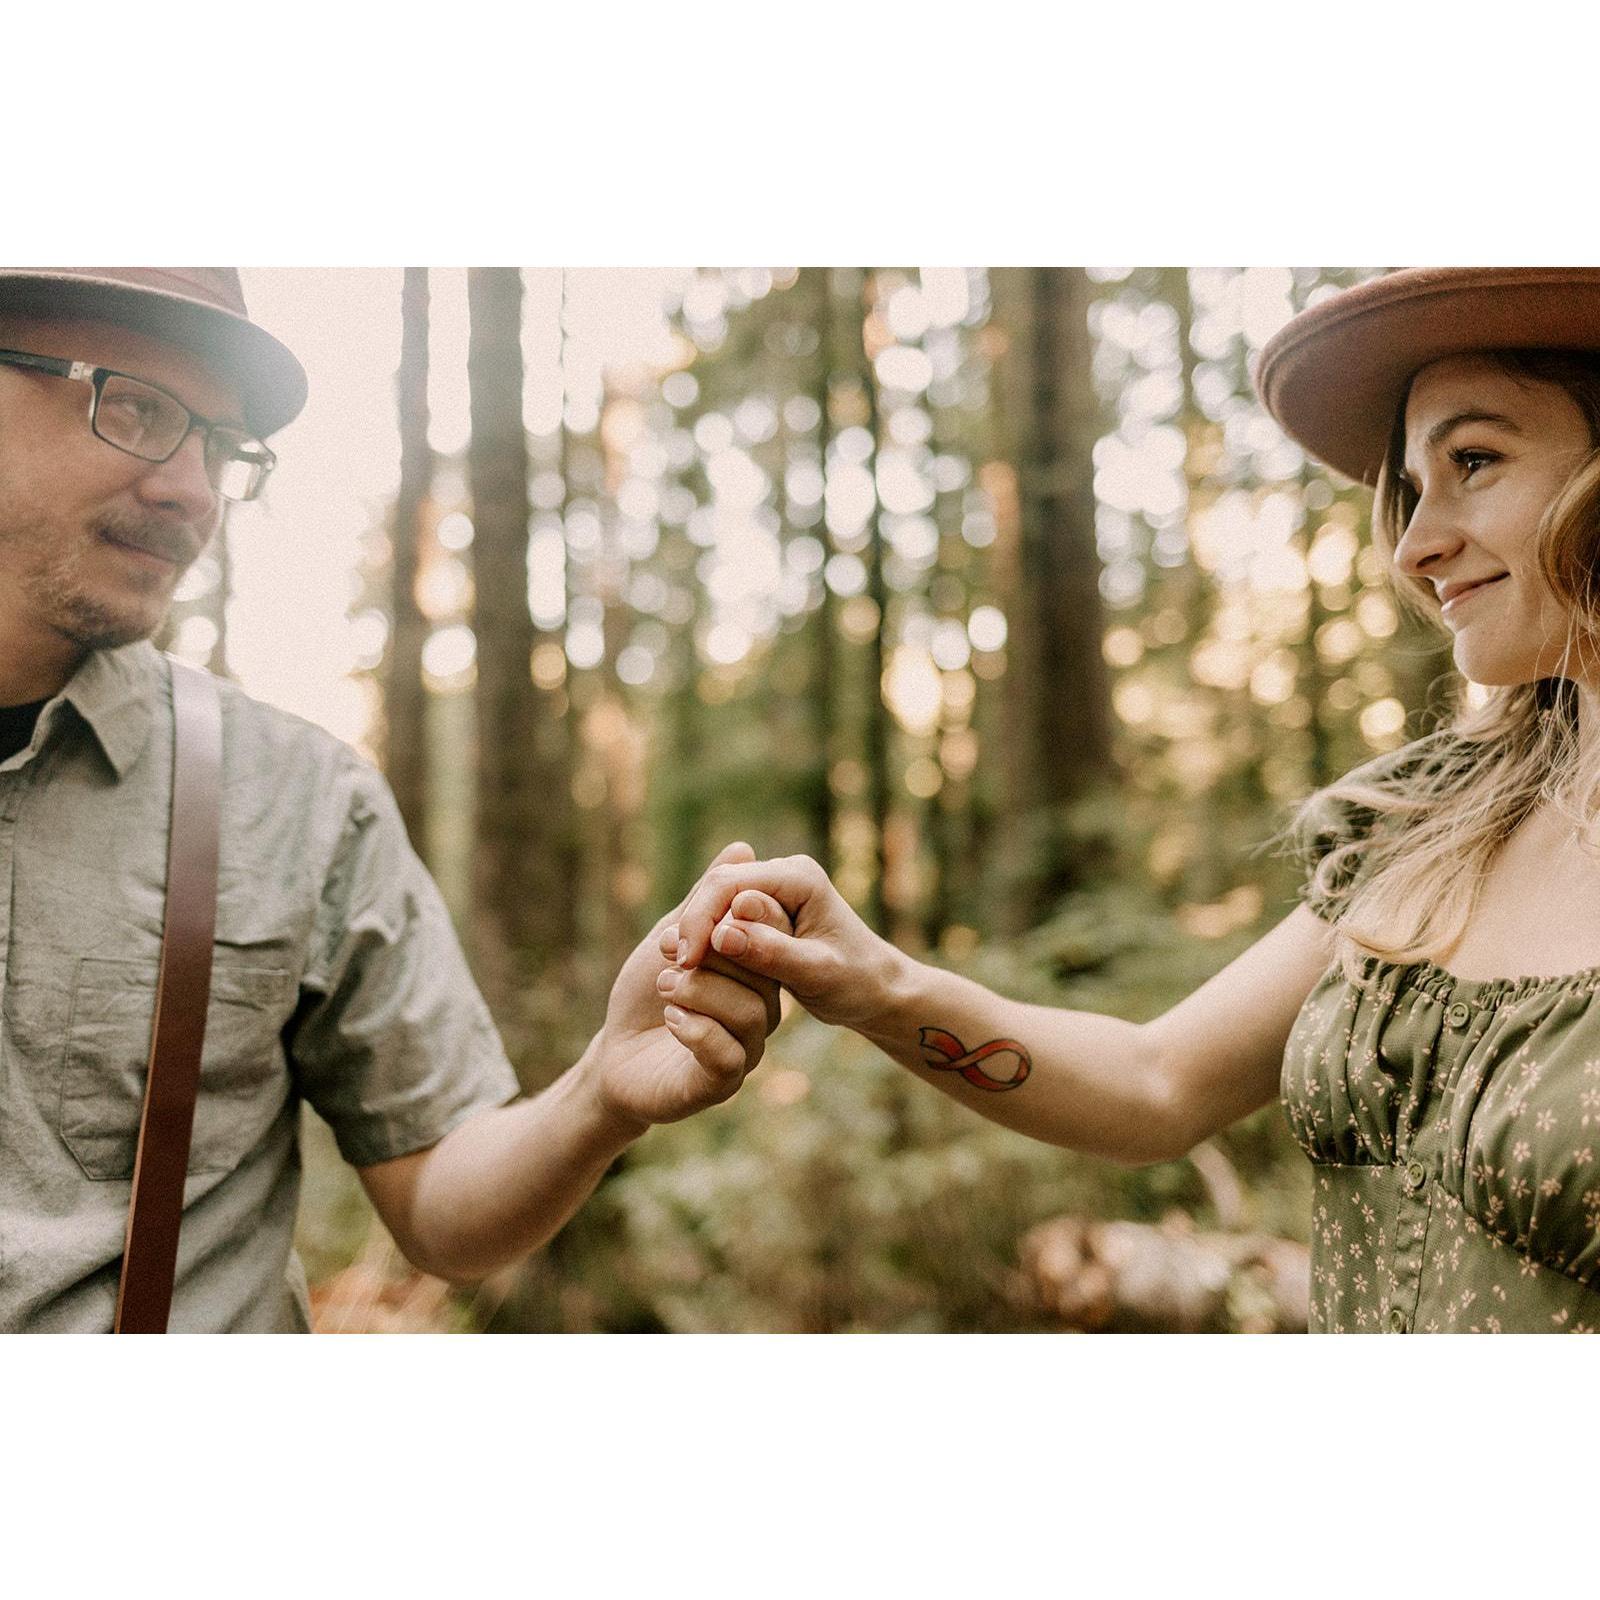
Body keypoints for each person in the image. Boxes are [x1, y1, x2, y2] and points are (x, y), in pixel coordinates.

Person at [666, 267, 1600, 1334]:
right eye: (1411, 486)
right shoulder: (1427, 828)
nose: (1413, 544)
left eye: (1473, 461)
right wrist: (873, 983)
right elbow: (1158, 1085)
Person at [0, 267, 784, 1333]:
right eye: (137, 409)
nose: (193, 491)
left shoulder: (296, 798)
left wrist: (599, 1090)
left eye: (223, 447)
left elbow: (443, 1211)